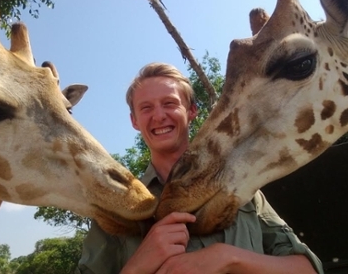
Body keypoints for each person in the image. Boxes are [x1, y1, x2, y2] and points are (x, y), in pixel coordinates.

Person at [76, 62, 323, 274]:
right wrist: (138, 266)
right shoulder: (115, 208)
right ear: (134, 121)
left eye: (170, 103)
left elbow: (307, 269)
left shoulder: (242, 191)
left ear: (192, 111)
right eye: (146, 108)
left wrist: (226, 257)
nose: (159, 116)